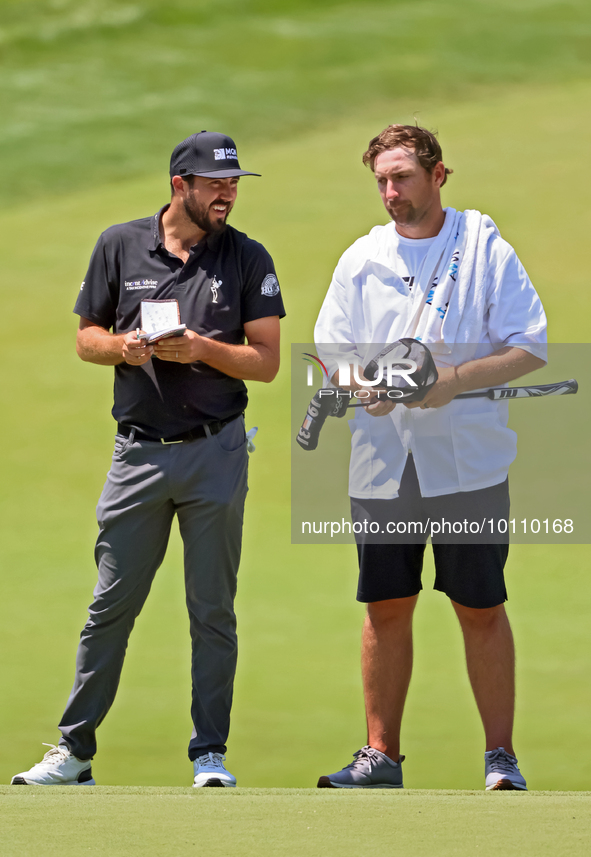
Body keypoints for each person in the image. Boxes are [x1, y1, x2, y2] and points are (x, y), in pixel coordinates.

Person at [12, 131, 285, 788]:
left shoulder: (246, 257)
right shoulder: (119, 244)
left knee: (211, 608)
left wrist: (203, 350)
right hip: (137, 455)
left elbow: (267, 361)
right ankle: (73, 752)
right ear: (178, 185)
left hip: (216, 450)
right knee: (110, 605)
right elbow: (86, 338)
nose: (228, 194)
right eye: (216, 183)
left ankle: (209, 756)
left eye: (234, 183)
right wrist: (125, 349)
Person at [314, 124, 546, 790]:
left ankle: (500, 759)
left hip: (467, 460)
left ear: (438, 175)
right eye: (381, 180)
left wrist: (453, 382)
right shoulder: (361, 258)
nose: (390, 192)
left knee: (479, 606)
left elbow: (528, 344)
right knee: (386, 602)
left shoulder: (482, 248)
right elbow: (333, 354)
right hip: (383, 463)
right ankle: (379, 756)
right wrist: (365, 389)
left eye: (402, 177)